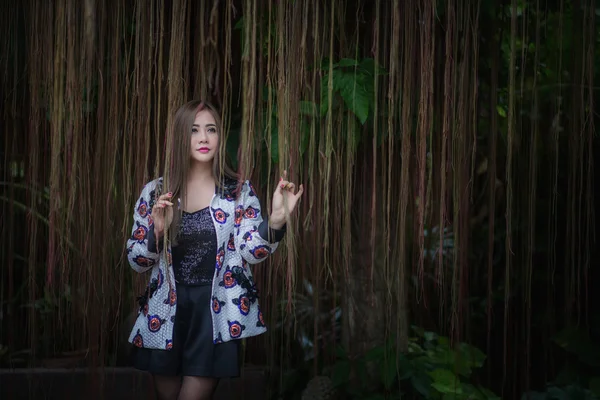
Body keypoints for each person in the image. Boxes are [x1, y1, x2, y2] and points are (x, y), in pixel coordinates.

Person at [125, 100, 304, 400]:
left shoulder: (237, 192)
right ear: (181, 137)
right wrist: (157, 232)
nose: (204, 138)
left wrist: (274, 221)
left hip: (214, 315)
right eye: (194, 130)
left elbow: (251, 251)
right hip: (165, 313)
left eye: (211, 130)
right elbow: (136, 260)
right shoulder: (156, 192)